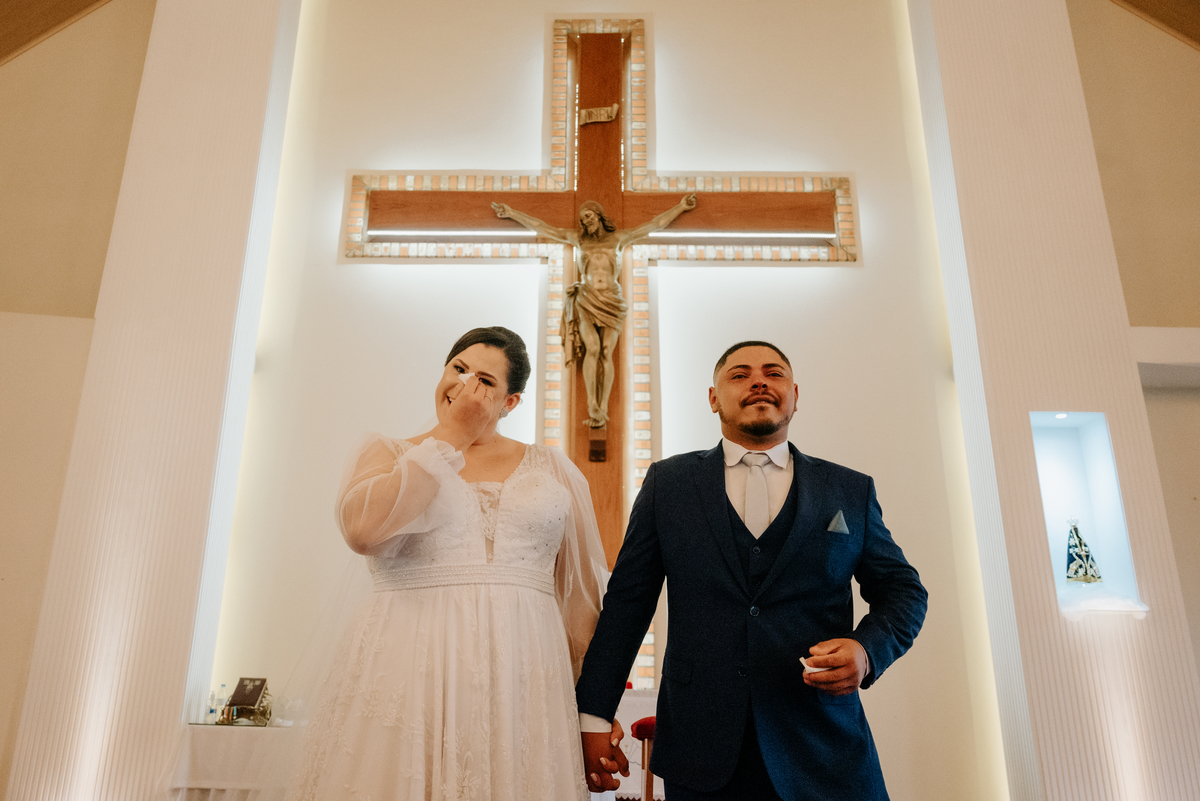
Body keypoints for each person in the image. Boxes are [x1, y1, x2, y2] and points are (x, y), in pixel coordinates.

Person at [574, 341, 928, 800]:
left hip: (825, 747)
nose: (759, 381)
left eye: (774, 373)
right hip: (701, 750)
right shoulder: (668, 485)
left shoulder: (848, 489)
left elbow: (903, 591)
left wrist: (866, 651)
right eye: (740, 374)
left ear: (795, 396)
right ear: (713, 398)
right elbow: (627, 605)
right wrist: (594, 716)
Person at [286, 327, 614, 801]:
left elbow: (582, 606)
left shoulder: (554, 468)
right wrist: (453, 435)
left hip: (524, 683)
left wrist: (591, 713)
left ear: (510, 402)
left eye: (485, 380)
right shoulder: (388, 452)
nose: (465, 385)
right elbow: (362, 532)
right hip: (409, 670)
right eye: (458, 369)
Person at [492, 195, 696, 427]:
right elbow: (544, 227)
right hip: (587, 298)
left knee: (606, 351)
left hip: (611, 300)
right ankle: (592, 404)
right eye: (582, 218)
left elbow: (654, 224)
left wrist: (681, 207)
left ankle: (603, 407)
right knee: (593, 349)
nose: (585, 221)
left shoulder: (619, 238)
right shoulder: (579, 240)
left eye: (588, 216)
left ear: (599, 215)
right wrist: (512, 213)